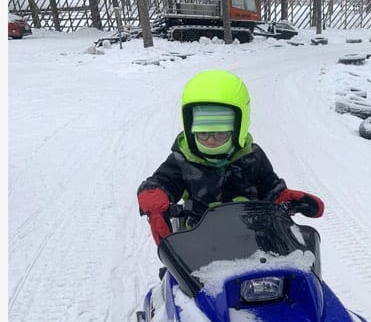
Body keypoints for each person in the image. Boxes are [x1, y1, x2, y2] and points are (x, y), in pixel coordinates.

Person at [137, 69, 324, 245]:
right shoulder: (183, 160)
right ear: (190, 129)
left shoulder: (252, 157)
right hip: (197, 244)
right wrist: (153, 197)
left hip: (253, 239)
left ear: (238, 129)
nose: (210, 141)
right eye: (203, 134)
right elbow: (161, 182)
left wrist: (283, 197)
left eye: (220, 134)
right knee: (176, 279)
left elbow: (269, 187)